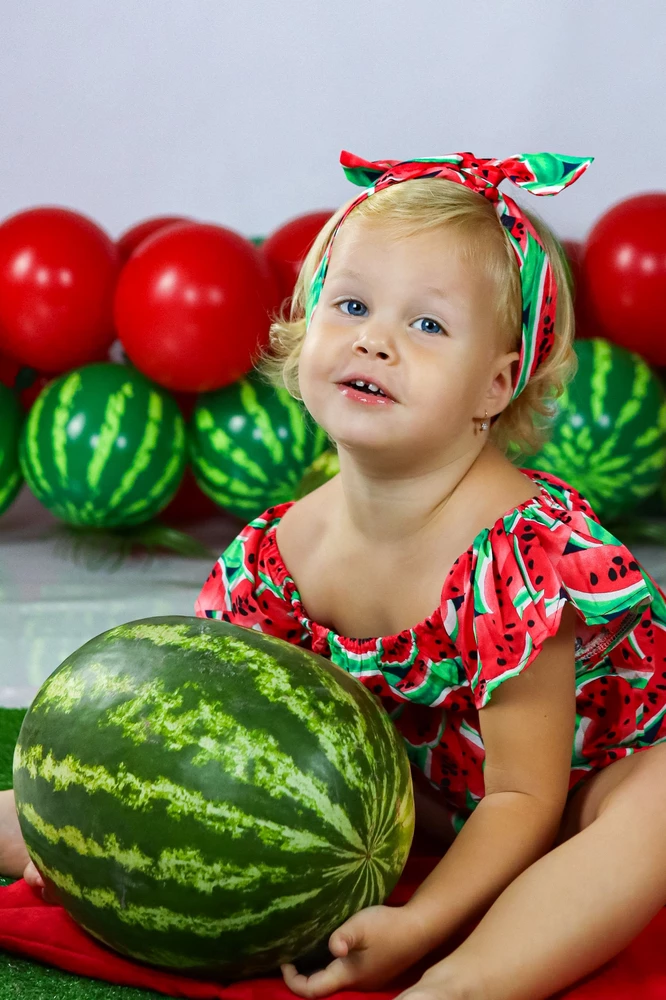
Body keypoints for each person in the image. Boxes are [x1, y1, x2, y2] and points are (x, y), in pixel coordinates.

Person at [3, 149, 666, 1000]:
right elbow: (210, 742)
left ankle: (468, 981)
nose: (374, 338)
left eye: (427, 325)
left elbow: (523, 796)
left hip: (565, 784)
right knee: (40, 796)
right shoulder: (276, 554)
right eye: (351, 304)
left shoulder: (521, 554)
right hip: (404, 794)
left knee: (655, 805)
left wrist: (419, 928)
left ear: (496, 385)